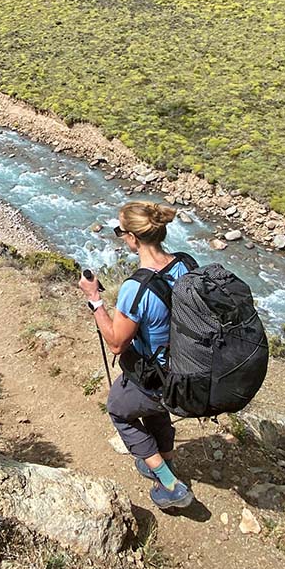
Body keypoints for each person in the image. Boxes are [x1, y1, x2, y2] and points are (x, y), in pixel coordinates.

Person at [78, 201, 194, 509]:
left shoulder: (136, 288)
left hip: (154, 375)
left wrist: (94, 300)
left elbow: (116, 343)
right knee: (156, 410)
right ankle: (165, 459)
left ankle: (170, 485)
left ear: (131, 237)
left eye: (119, 231)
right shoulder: (185, 264)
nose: (119, 236)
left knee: (119, 408)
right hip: (186, 369)